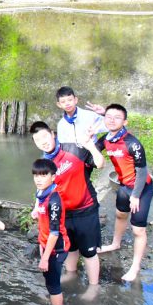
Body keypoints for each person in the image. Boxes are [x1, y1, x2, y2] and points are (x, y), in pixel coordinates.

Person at [30, 121, 105, 287]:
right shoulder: (43, 162)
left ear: (52, 134)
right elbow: (42, 187)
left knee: (89, 251)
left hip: (85, 209)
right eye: (37, 140)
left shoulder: (74, 149)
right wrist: (37, 206)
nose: (43, 141)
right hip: (63, 213)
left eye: (45, 136)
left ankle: (94, 287)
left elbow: (100, 164)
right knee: (69, 247)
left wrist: (91, 146)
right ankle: (71, 275)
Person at [95, 104, 153, 282]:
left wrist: (135, 195)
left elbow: (142, 171)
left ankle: (135, 267)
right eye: (109, 116)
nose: (112, 120)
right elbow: (94, 149)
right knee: (121, 215)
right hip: (124, 186)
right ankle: (115, 243)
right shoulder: (106, 138)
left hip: (141, 188)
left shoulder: (132, 143)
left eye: (117, 117)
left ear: (125, 121)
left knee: (138, 230)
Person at [31, 159, 69, 305]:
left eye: (43, 175)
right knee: (49, 278)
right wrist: (35, 211)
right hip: (46, 243)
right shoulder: (42, 192)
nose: (38, 179)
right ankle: (55, 299)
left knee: (53, 283)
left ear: (53, 177)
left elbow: (54, 233)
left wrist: (45, 258)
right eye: (36, 175)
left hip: (57, 247)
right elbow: (38, 200)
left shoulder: (53, 201)